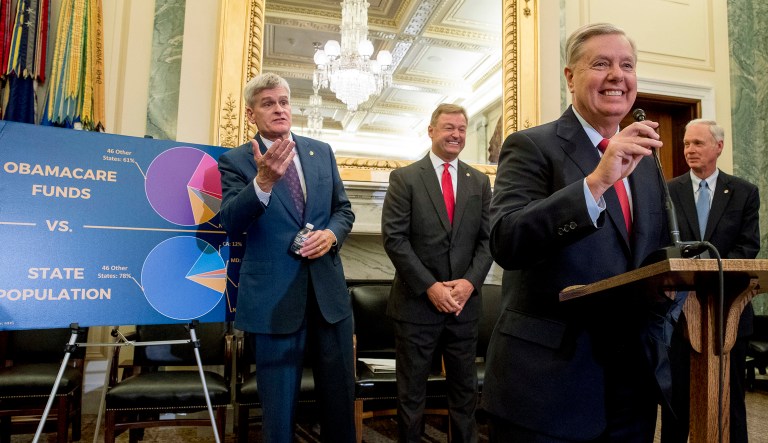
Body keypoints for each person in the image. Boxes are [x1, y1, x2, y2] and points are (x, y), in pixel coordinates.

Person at [481, 23, 672, 442]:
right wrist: (596, 183)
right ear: (570, 76)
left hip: (632, 383)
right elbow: (506, 241)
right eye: (600, 64)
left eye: (627, 65)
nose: (616, 76)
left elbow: (654, 257)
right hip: (548, 385)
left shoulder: (647, 163)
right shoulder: (530, 146)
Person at [218, 73, 356, 443]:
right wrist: (261, 182)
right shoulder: (235, 162)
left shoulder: (319, 151)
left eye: (283, 102)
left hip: (328, 296)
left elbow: (343, 211)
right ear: (251, 115)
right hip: (273, 298)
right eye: (268, 103)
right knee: (278, 410)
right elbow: (231, 222)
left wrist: (332, 234)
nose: (279, 109)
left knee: (340, 401)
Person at [381, 103, 493, 443]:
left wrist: (468, 283)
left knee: (464, 394)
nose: (455, 134)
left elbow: (487, 241)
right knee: (411, 396)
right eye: (448, 127)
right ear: (431, 131)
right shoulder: (405, 178)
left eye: (461, 128)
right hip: (417, 307)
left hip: (463, 308)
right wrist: (431, 287)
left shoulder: (479, 181)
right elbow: (395, 239)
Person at [662, 119, 760, 443]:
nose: (689, 149)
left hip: (728, 313)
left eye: (698, 144)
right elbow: (662, 246)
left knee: (731, 399)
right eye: (687, 143)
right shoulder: (669, 192)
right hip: (681, 315)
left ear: (718, 147)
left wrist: (705, 266)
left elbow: (748, 247)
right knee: (678, 400)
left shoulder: (744, 192)